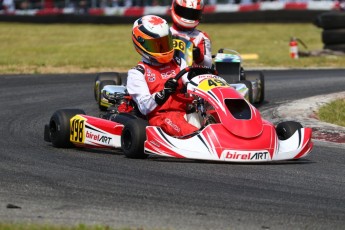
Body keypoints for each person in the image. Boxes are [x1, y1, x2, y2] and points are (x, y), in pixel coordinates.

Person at [126, 15, 199, 137]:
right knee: (192, 133)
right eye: (157, 45)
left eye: (165, 43)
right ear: (141, 44)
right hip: (162, 116)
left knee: (215, 115)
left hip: (187, 111)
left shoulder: (179, 62)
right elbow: (144, 107)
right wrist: (164, 93)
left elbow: (191, 85)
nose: (163, 49)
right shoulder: (138, 73)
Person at [170, 0, 213, 68]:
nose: (187, 16)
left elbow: (208, 65)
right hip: (165, 73)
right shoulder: (164, 33)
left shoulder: (201, 37)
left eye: (192, 14)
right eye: (183, 12)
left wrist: (198, 56)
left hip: (190, 75)